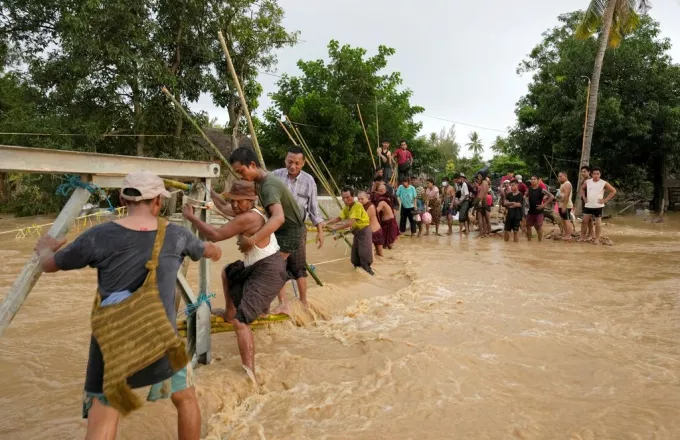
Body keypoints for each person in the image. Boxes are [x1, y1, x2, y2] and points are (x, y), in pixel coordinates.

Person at [34, 170, 222, 440]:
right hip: (161, 339)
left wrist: (45, 247)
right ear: (158, 201)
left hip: (113, 342)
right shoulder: (177, 235)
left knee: (105, 414)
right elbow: (208, 250)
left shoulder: (98, 235)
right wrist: (214, 250)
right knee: (186, 400)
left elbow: (49, 264)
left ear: (123, 199)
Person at [182, 180, 287, 377]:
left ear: (251, 200)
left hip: (269, 270)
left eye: (240, 202)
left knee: (241, 323)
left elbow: (215, 235)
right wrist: (208, 189)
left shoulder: (248, 218)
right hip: (258, 267)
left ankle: (250, 373)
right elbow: (223, 206)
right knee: (228, 271)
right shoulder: (246, 212)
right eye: (234, 201)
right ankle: (232, 312)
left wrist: (191, 217)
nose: (236, 205)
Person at [228, 147, 305, 315]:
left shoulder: (268, 185)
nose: (241, 176)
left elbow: (278, 218)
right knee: (276, 266)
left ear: (253, 165)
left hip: (290, 230)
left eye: (241, 171)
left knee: (273, 267)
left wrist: (252, 240)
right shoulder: (260, 182)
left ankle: (281, 304)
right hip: (283, 229)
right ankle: (270, 305)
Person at [272, 146, 325, 307]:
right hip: (276, 228)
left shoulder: (309, 181)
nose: (293, 166)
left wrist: (320, 231)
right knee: (277, 265)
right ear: (285, 160)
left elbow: (314, 209)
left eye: (297, 163)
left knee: (299, 267)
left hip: (297, 229)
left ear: (303, 163)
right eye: (290, 162)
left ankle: (303, 302)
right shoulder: (275, 176)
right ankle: (283, 303)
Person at [327, 187, 374, 275]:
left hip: (364, 232)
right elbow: (339, 218)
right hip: (357, 233)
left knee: (364, 258)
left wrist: (335, 228)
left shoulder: (358, 206)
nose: (345, 200)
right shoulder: (347, 207)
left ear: (353, 196)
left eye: (347, 197)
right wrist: (325, 223)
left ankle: (370, 275)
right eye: (343, 198)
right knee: (355, 259)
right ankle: (358, 278)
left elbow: (350, 223)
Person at [579, 167, 617, 243]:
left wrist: (605, 200)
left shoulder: (603, 183)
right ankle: (582, 237)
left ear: (600, 174)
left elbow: (613, 191)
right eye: (594, 174)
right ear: (591, 174)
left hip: (598, 206)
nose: (596, 175)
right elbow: (582, 189)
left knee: (598, 223)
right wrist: (584, 197)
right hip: (588, 205)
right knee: (584, 221)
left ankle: (596, 239)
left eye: (598, 174)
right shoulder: (587, 182)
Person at [525, 175, 555, 242]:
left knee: (539, 226)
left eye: (534, 179)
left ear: (538, 180)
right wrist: (526, 203)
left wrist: (544, 205)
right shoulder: (529, 189)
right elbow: (525, 196)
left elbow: (551, 196)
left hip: (539, 211)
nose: (533, 180)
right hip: (531, 211)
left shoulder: (541, 190)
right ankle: (529, 241)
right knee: (528, 226)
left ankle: (539, 242)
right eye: (531, 179)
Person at [359, 190, 384, 257]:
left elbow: (363, 220)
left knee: (378, 254)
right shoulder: (363, 206)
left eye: (362, 199)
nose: (360, 201)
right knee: (376, 254)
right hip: (373, 232)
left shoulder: (371, 207)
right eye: (358, 199)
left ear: (367, 198)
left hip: (374, 232)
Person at [557, 171, 574, 240]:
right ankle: (565, 233)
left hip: (566, 205)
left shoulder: (567, 184)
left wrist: (564, 206)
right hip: (561, 205)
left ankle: (569, 235)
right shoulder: (563, 184)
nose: (559, 178)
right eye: (558, 176)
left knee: (567, 220)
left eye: (561, 176)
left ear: (565, 176)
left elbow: (566, 195)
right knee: (563, 220)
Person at [579, 165, 594, 239]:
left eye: (584, 172)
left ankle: (589, 234)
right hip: (584, 201)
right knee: (587, 219)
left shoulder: (590, 181)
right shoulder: (583, 180)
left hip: (589, 202)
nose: (583, 173)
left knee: (588, 219)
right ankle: (589, 233)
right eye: (582, 172)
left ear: (589, 172)